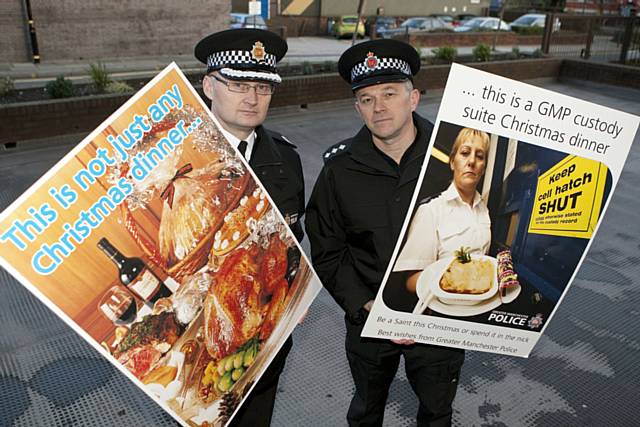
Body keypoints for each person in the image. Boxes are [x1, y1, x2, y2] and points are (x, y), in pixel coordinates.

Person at [305, 39, 464, 427]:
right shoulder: (339, 170)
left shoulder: (454, 159)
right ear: (357, 106)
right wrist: (366, 305)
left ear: (413, 98)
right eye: (366, 98)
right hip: (369, 319)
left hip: (440, 318)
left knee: (437, 412)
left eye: (390, 93)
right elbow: (327, 249)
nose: (379, 108)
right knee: (365, 410)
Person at [194, 28, 304, 426]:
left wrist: (295, 289)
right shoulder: (180, 161)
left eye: (263, 86)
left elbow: (293, 236)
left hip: (264, 339)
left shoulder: (286, 159)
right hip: (199, 348)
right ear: (208, 85)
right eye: (238, 84)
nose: (252, 98)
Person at [396, 127, 492, 296]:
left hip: (481, 306)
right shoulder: (431, 210)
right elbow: (411, 282)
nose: (471, 161)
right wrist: (459, 280)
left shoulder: (484, 210)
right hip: (445, 311)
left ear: (483, 168)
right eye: (464, 153)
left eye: (479, 156)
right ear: (452, 162)